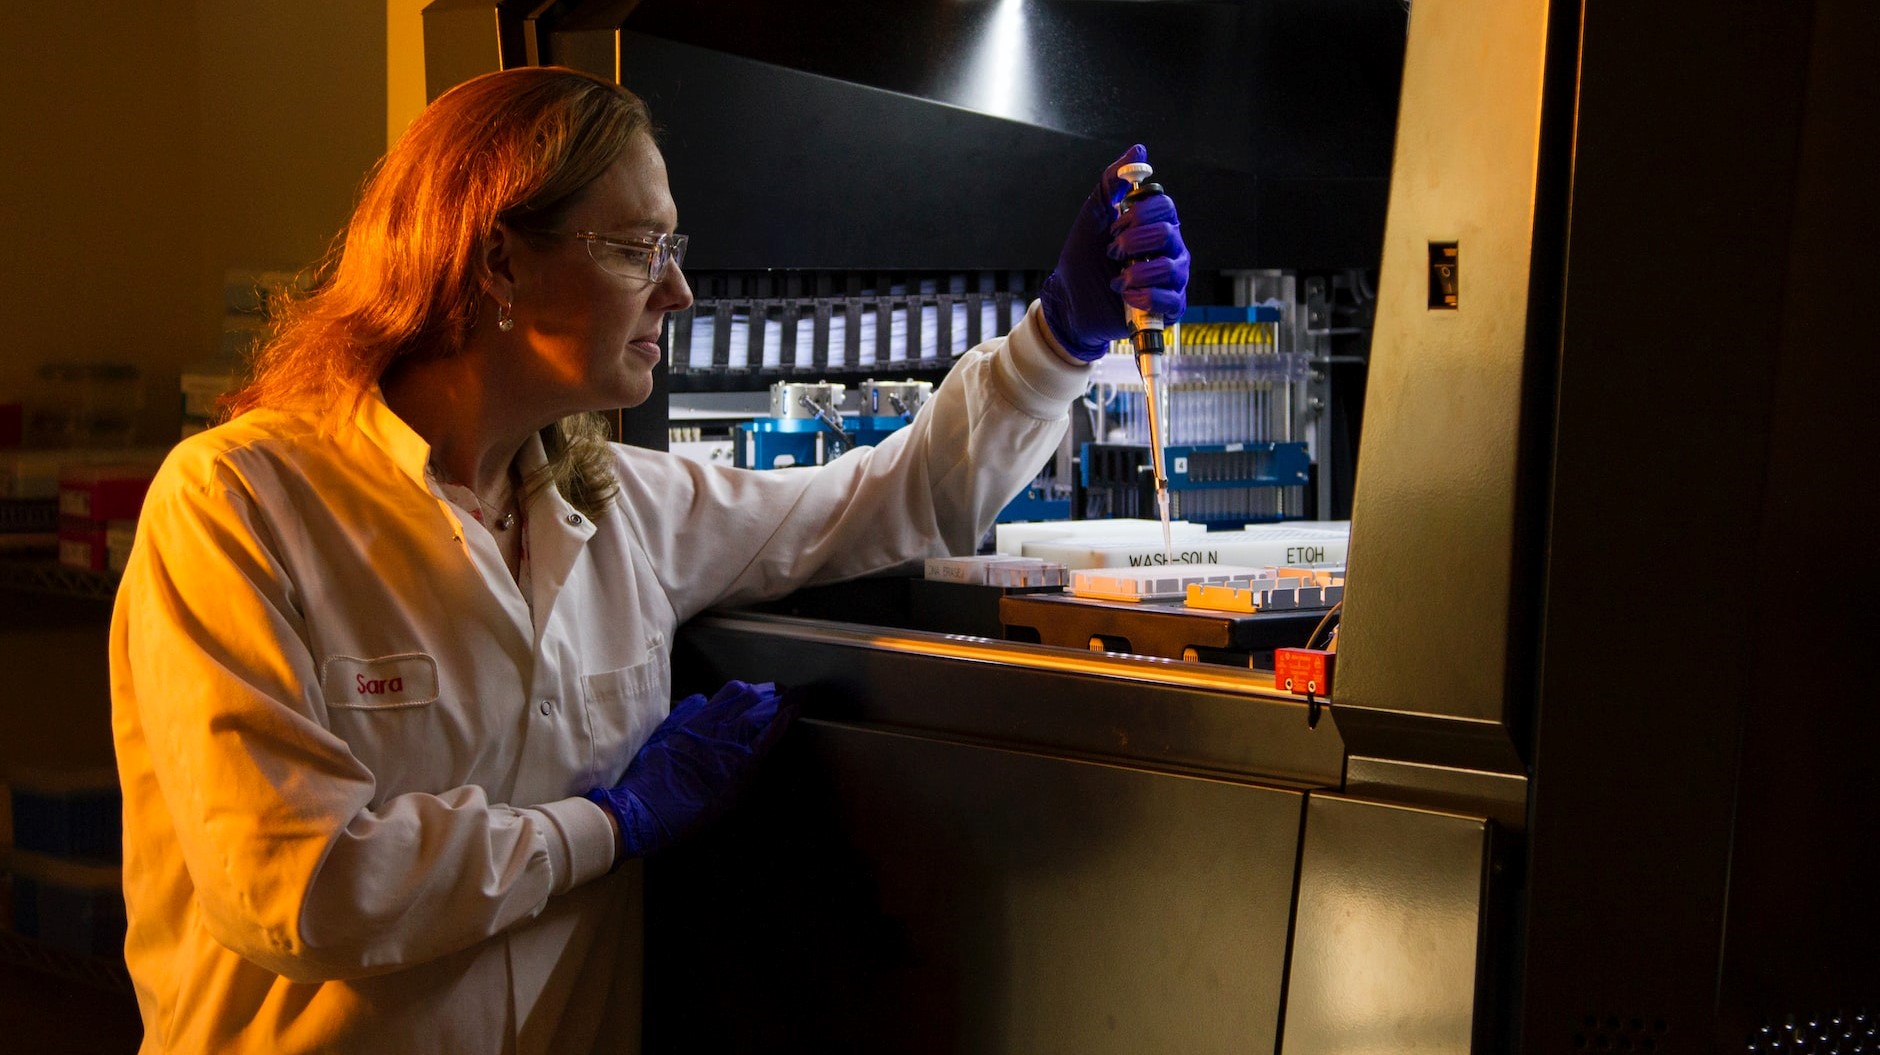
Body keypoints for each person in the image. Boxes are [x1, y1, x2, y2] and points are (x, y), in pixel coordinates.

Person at [109, 65, 1188, 1054]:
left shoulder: (615, 503)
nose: (675, 292)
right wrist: (606, 825)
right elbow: (297, 883)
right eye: (636, 249)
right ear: (497, 259)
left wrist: (1060, 336)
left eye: (670, 249)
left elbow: (895, 494)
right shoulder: (239, 504)